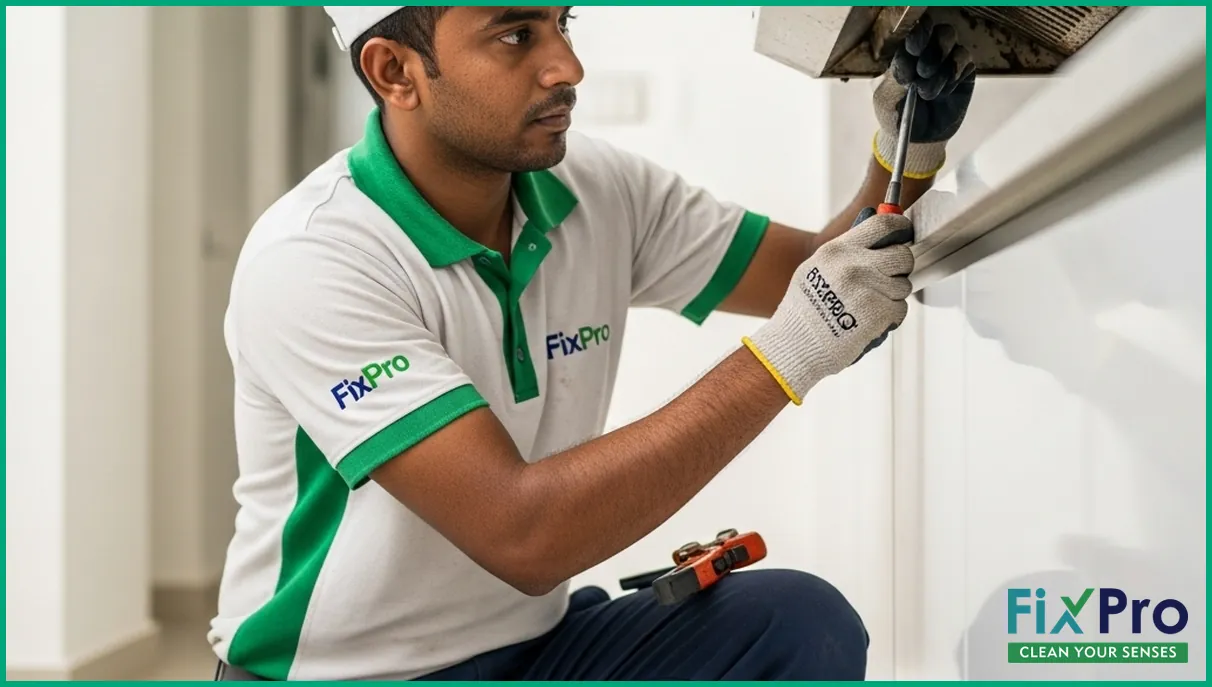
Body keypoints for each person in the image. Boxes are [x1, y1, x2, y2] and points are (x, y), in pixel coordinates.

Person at [209, 6, 975, 681]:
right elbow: (523, 532)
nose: (567, 66)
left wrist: (900, 153)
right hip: (351, 676)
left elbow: (810, 274)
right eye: (515, 33)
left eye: (561, 23)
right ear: (395, 71)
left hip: (537, 648)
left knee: (795, 622)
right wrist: (791, 352)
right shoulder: (313, 259)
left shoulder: (596, 188)